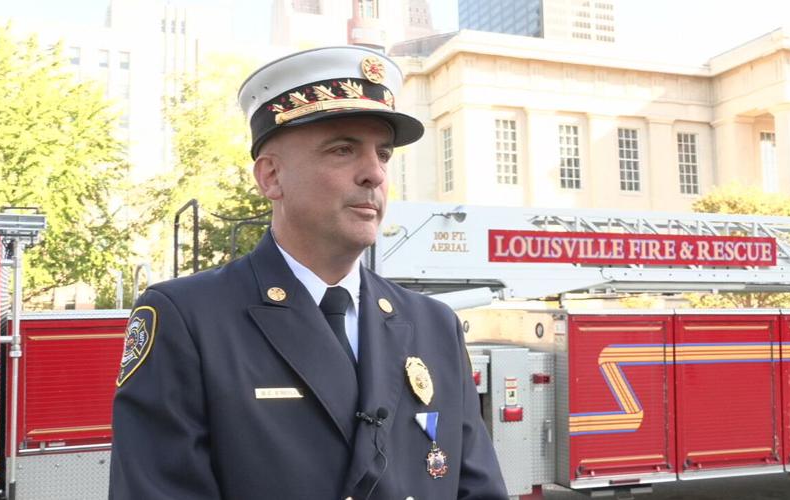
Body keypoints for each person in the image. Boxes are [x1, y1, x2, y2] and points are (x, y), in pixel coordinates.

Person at [109, 45, 507, 500]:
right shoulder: (187, 319)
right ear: (271, 178)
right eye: (343, 150)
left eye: (383, 154)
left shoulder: (435, 326)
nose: (374, 174)